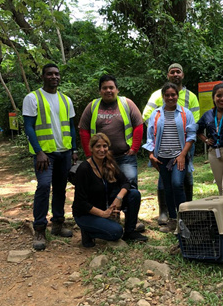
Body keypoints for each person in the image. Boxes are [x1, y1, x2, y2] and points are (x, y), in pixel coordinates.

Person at [23, 63, 78, 250]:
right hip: (44, 154)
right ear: (43, 76)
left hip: (64, 152)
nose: (54, 77)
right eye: (50, 74)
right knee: (44, 186)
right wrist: (38, 151)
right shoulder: (32, 98)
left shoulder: (66, 100)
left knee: (61, 189)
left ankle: (58, 223)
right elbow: (29, 127)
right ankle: (39, 228)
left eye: (56, 74)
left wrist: (74, 150)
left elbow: (71, 127)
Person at [142, 63, 200, 225]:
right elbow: (150, 134)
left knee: (179, 182)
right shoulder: (156, 110)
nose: (170, 98)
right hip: (162, 155)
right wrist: (152, 152)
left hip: (182, 151)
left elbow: (193, 128)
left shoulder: (188, 104)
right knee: (167, 185)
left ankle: (185, 216)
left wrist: (183, 153)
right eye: (167, 95)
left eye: (173, 95)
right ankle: (171, 218)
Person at [72, 133, 147, 246]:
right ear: (91, 148)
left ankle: (130, 232)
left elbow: (125, 182)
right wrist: (103, 214)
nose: (102, 150)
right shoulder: (84, 169)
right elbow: (80, 202)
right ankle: (88, 232)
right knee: (116, 232)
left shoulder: (109, 162)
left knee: (134, 194)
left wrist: (118, 198)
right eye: (98, 146)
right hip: (86, 214)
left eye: (105, 146)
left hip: (105, 205)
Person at [78, 74, 143, 189]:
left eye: (111, 87)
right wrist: (89, 153)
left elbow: (138, 125)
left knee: (130, 183)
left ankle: (128, 207)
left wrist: (134, 148)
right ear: (100, 91)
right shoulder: (92, 106)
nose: (108, 90)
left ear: (117, 90)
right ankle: (109, 207)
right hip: (100, 157)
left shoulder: (127, 104)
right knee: (104, 188)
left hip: (125, 157)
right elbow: (84, 130)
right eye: (104, 88)